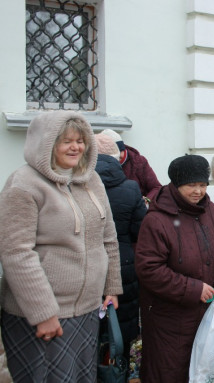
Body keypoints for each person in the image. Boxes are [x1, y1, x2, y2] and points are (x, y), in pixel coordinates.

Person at [0, 110, 122, 382]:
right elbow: (17, 253)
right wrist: (43, 313)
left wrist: (111, 287)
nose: (76, 147)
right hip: (43, 316)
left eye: (80, 140)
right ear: (47, 143)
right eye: (66, 140)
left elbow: (108, 238)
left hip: (87, 312)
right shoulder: (23, 184)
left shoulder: (91, 181)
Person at [135, 154, 214, 383]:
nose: (198, 191)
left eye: (202, 185)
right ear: (176, 184)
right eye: (191, 185)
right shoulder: (157, 220)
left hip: (206, 316)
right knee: (170, 372)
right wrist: (193, 289)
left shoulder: (213, 212)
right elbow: (149, 269)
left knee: (203, 370)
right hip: (169, 320)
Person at [94, 133, 147, 361]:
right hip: (124, 265)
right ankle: (118, 370)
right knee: (121, 330)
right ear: (118, 158)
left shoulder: (74, 186)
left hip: (88, 266)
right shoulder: (130, 188)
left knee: (89, 334)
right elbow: (140, 230)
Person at [100, 129, 162, 202]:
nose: (116, 158)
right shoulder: (100, 165)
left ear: (122, 149)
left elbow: (156, 187)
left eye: (118, 154)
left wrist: (147, 200)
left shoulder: (139, 162)